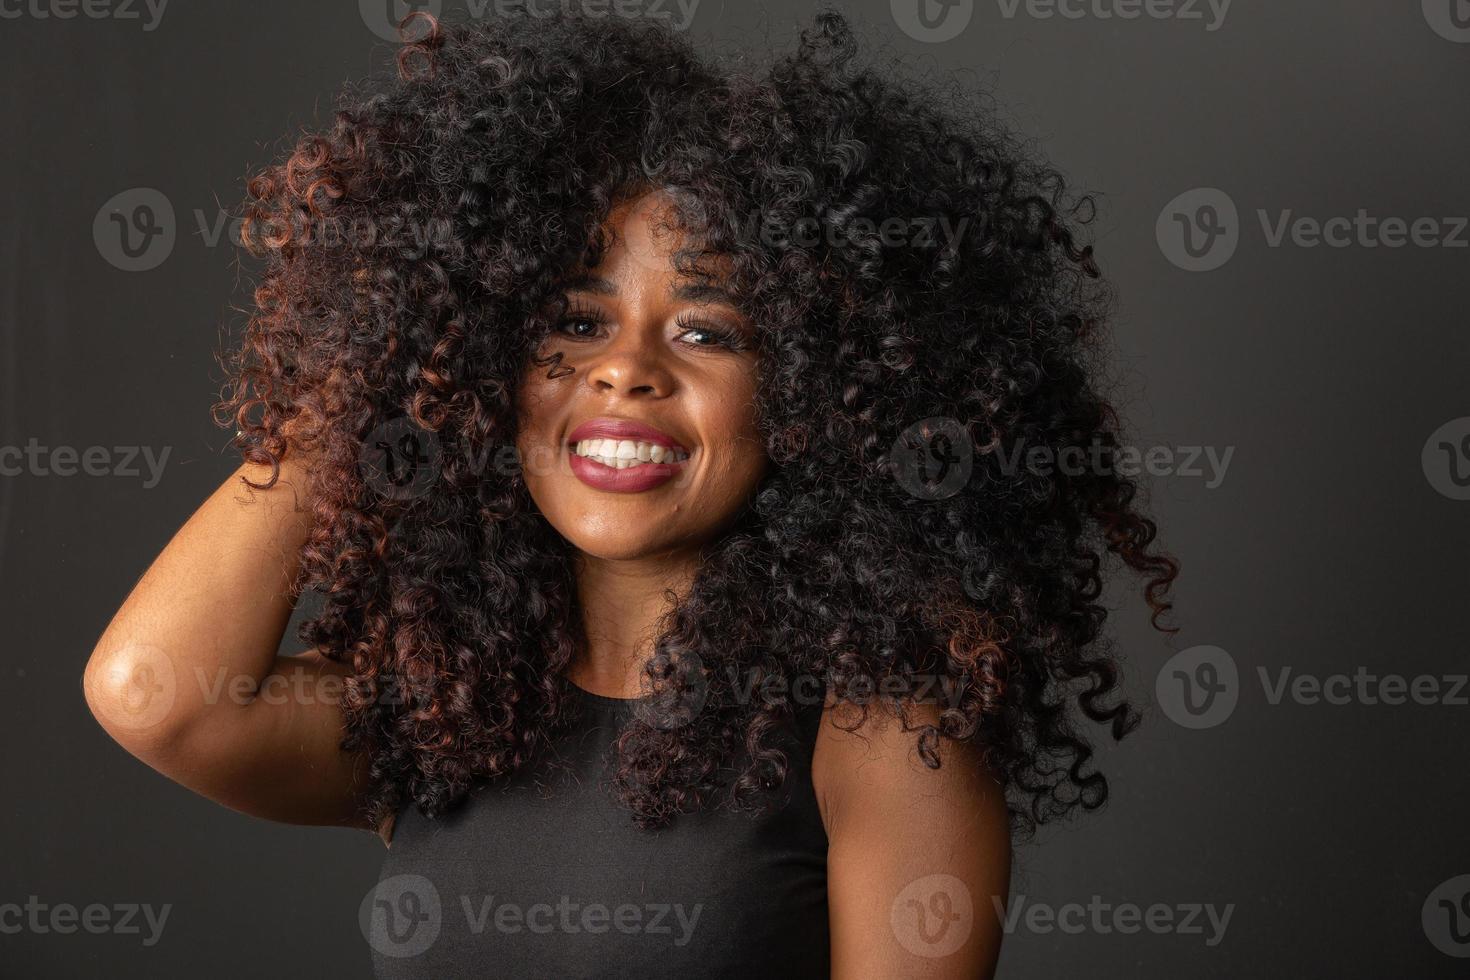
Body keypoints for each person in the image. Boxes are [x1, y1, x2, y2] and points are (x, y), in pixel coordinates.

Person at [83, 9, 1177, 977]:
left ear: (821, 392)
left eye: (707, 330)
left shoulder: (884, 730)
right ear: (483, 357)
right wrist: (379, 374)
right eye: (571, 318)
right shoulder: (454, 704)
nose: (624, 369)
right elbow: (152, 692)